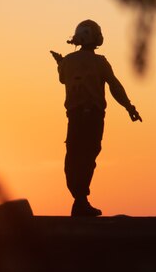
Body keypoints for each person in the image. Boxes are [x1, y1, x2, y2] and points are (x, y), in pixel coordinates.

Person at [51, 19, 141, 217]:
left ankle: (79, 199)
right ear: (96, 38)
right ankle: (81, 201)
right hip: (93, 117)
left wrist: (61, 63)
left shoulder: (68, 61)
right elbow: (115, 87)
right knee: (88, 157)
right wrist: (129, 107)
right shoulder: (100, 63)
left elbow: (63, 78)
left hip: (74, 118)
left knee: (74, 157)